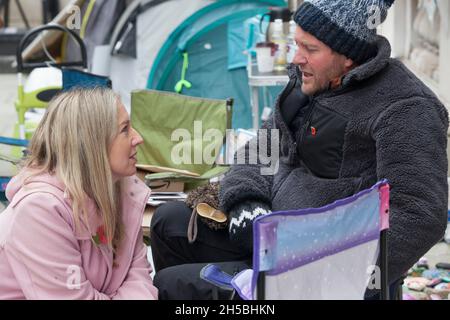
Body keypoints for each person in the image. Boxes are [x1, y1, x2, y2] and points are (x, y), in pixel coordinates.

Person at [150, 0, 449, 299]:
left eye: (310, 49)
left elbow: (420, 214)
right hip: (269, 233)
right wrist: (245, 202)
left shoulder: (406, 108)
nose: (296, 58)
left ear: (348, 55)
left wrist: (322, 277)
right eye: (296, 44)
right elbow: (262, 147)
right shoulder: (308, 82)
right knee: (166, 222)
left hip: (316, 266)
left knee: (171, 285)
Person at [0, 88, 158, 300]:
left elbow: (139, 275)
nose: (138, 138)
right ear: (92, 143)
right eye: (125, 129)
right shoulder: (39, 210)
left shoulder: (120, 189)